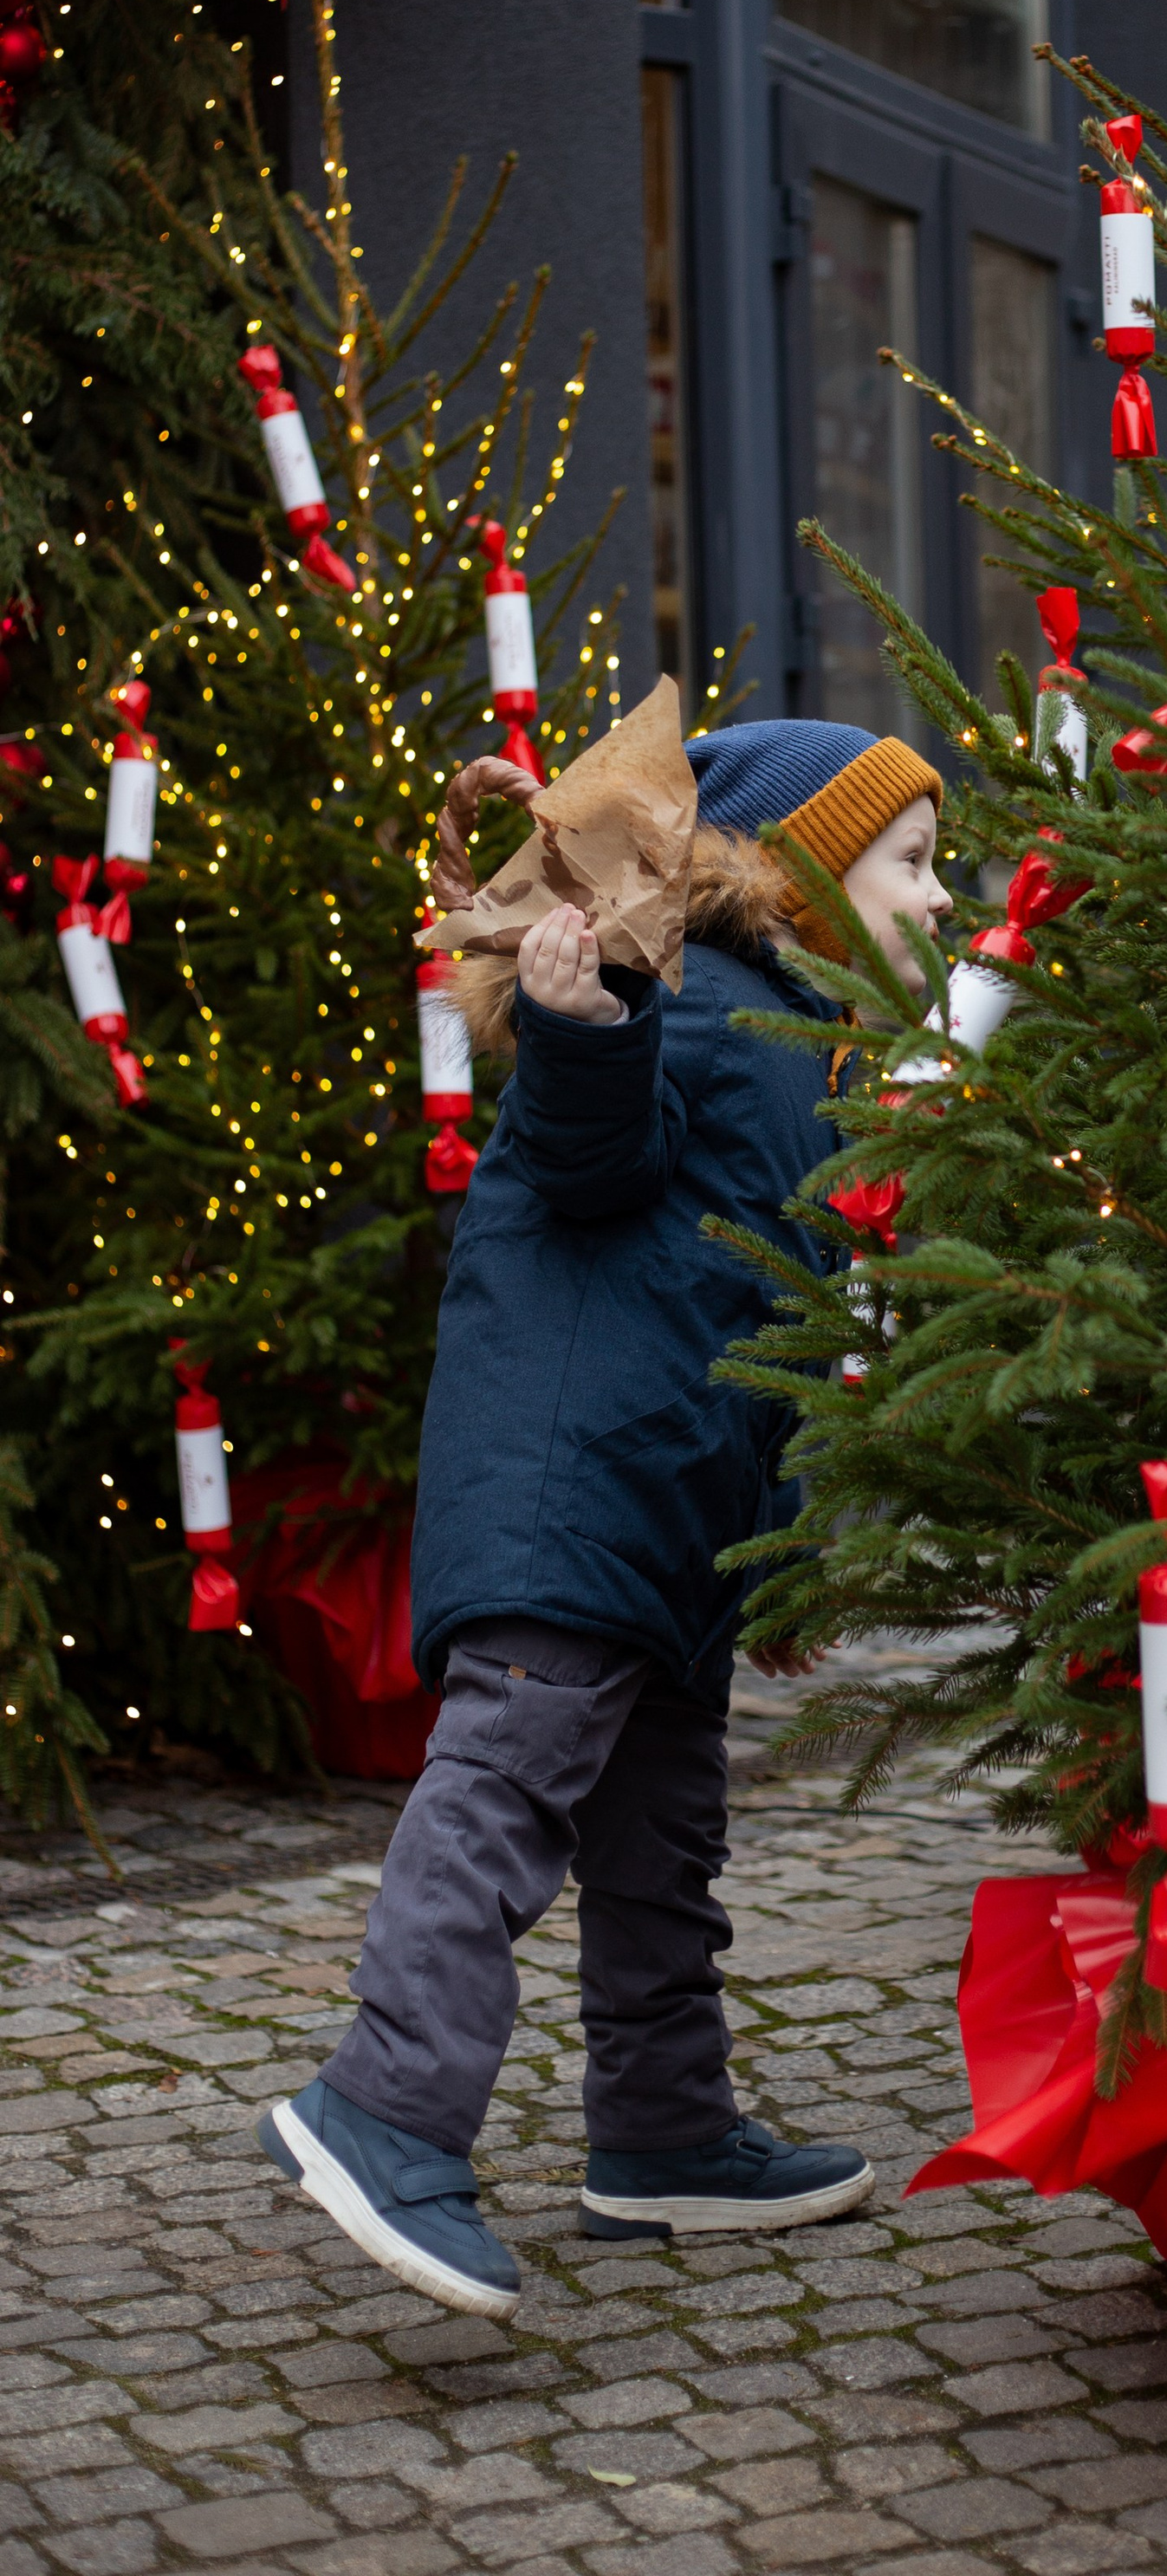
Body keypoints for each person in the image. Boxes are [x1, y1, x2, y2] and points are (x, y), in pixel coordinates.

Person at [256, 718, 953, 2319]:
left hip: (676, 1520)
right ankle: (382, 2107)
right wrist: (580, 1030)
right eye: (912, 862)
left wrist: (782, 1543)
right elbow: (590, 1155)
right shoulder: (690, 998)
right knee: (503, 1793)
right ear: (805, 869)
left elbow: (774, 1323)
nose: (939, 897)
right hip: (574, 1495)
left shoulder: (805, 1046)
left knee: (662, 1840)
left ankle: (663, 2127)